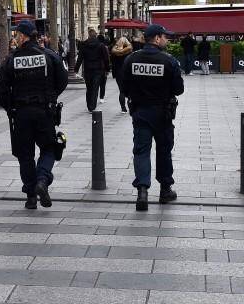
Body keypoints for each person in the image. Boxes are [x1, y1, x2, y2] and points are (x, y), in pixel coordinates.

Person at [0, 20, 68, 209]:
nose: (15, 39)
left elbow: (0, 90)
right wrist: (51, 97)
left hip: (21, 113)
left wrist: (10, 107)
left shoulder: (12, 59)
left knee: (25, 155)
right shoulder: (49, 56)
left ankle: (31, 196)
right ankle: (42, 180)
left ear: (23, 36)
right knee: (49, 148)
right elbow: (63, 79)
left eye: (16, 35)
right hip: (44, 111)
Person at [120, 24, 184, 212]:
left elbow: (123, 86)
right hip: (162, 113)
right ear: (156, 38)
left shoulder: (131, 59)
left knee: (141, 151)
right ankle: (165, 190)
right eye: (165, 37)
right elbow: (178, 89)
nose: (167, 40)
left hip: (140, 111)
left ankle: (142, 191)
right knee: (164, 151)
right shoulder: (169, 61)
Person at [74, 28, 110, 112]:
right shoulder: (101, 45)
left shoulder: (84, 45)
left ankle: (89, 105)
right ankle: (92, 106)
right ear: (95, 35)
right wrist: (107, 69)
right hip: (98, 70)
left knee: (89, 88)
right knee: (95, 88)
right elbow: (106, 58)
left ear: (89, 35)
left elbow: (80, 58)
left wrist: (76, 69)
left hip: (87, 69)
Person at [110, 36, 133, 113]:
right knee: (130, 90)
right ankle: (130, 104)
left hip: (118, 73)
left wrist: (114, 74)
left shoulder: (114, 52)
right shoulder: (129, 51)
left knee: (121, 91)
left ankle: (123, 108)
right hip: (128, 73)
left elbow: (113, 64)